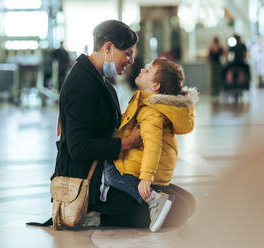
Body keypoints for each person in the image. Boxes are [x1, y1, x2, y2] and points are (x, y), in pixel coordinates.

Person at [51, 20, 195, 229]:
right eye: (127, 53)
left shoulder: (100, 80)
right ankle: (97, 214)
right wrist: (127, 143)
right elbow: (78, 148)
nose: (131, 60)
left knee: (188, 202)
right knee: (179, 208)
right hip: (92, 181)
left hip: (115, 170)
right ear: (108, 48)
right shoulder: (81, 83)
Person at [100, 58, 197, 232]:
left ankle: (153, 200)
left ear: (155, 86)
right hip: (154, 168)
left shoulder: (151, 110)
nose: (143, 70)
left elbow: (153, 146)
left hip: (143, 169)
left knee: (111, 173)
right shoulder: (153, 104)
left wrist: (146, 177)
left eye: (148, 70)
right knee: (186, 204)